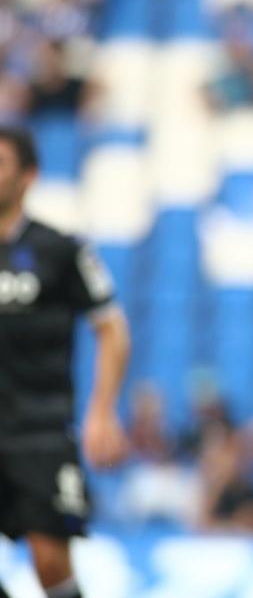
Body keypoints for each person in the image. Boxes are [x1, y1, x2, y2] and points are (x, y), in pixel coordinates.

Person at [0, 126, 130, 598]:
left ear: (28, 177)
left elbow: (111, 326)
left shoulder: (60, 249)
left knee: (49, 561)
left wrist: (102, 410)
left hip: (41, 430)